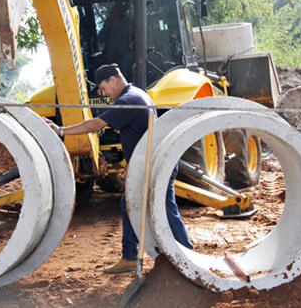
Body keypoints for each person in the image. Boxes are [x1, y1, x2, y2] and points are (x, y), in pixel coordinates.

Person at [46, 64, 193, 274]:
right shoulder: (137, 94)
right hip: (151, 164)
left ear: (113, 80)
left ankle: (187, 254)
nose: (104, 94)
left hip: (156, 166)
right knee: (129, 205)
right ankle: (130, 257)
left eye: (103, 88)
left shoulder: (129, 100)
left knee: (165, 209)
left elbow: (95, 125)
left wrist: (61, 130)